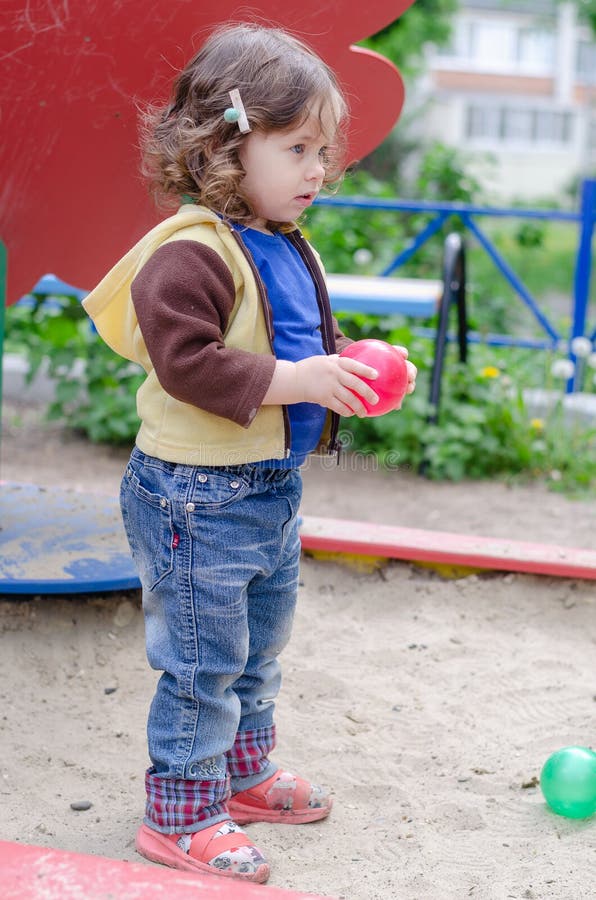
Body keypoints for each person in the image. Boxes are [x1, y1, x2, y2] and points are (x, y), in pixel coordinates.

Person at [83, 22, 416, 884]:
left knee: (260, 646)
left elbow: (293, 338)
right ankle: (182, 812)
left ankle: (242, 773)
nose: (320, 170)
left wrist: (347, 368)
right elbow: (190, 362)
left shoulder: (281, 241)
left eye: (325, 150)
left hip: (266, 491)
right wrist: (304, 380)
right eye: (299, 148)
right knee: (202, 657)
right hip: (194, 496)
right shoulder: (190, 254)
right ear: (227, 149)